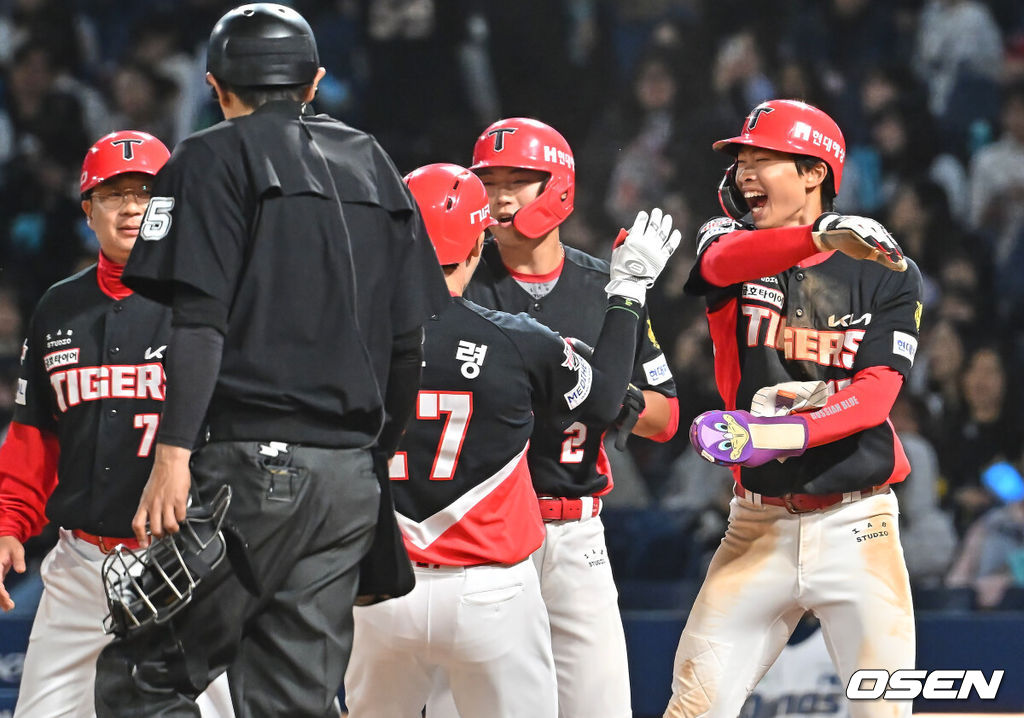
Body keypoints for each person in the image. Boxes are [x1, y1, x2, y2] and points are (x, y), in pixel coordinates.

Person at [90, 5, 450, 717]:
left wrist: (173, 455)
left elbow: (198, 323)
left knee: (144, 680)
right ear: (313, 81)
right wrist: (370, 455)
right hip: (347, 479)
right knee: (294, 703)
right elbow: (411, 340)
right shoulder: (374, 161)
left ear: (216, 86)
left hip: (251, 471)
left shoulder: (209, 155)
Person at [344, 163, 679, 717]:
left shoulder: (349, 332)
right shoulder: (515, 338)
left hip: (385, 569)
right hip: (489, 574)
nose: (502, 199)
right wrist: (629, 292)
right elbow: (600, 402)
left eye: (514, 181)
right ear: (476, 243)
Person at [675, 99, 922, 718]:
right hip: (756, 526)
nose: (745, 173)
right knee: (693, 710)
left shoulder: (888, 272)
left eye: (765, 159)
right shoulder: (726, 244)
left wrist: (778, 435)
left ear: (816, 172)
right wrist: (816, 235)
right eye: (742, 161)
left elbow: (875, 397)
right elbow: (715, 264)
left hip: (859, 526)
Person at [443, 117, 680, 717]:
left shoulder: (607, 286)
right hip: (481, 534)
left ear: (558, 187)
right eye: (488, 181)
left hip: (575, 531)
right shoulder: (459, 279)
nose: (498, 197)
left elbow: (666, 417)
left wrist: (596, 391)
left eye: (517, 181)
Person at [0, 131, 233, 717]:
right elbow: (35, 436)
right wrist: (8, 523)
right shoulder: (59, 305)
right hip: (80, 566)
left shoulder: (209, 301)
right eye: (113, 195)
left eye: (146, 193)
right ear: (88, 211)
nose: (131, 207)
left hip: (185, 564)